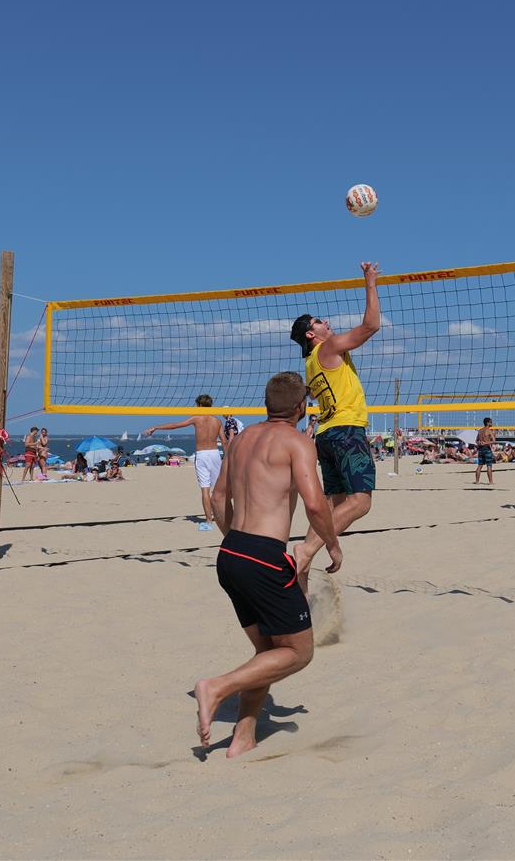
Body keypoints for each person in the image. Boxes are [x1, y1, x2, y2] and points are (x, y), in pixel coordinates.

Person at [197, 371, 342, 758]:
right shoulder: (297, 442)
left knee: (269, 655)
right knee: (298, 652)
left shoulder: (241, 439)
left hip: (231, 555)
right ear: (301, 407)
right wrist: (333, 545)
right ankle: (217, 687)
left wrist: (234, 540)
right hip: (263, 554)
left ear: (266, 404)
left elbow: (217, 497)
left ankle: (244, 735)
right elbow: (315, 504)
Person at [288, 261, 380, 587]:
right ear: (312, 335)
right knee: (361, 502)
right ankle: (305, 551)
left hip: (326, 435)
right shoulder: (327, 348)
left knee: (332, 506)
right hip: (345, 431)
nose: (327, 322)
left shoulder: (311, 363)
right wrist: (370, 282)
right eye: (319, 322)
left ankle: (302, 576)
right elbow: (371, 326)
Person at [144, 396, 226, 529]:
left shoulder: (196, 418)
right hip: (215, 454)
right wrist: (228, 457)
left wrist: (156, 427)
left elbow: (175, 426)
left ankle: (209, 522)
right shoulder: (217, 421)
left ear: (199, 405)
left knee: (205, 490)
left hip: (202, 455)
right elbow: (224, 440)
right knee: (219, 490)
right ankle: (222, 518)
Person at [474, 417, 497, 485]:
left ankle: (477, 481)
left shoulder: (480, 431)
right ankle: (491, 482)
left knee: (480, 465)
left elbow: (476, 441)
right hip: (487, 449)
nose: (492, 423)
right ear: (487, 423)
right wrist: (486, 443)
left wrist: (479, 443)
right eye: (491, 422)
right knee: (489, 466)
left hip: (480, 449)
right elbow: (494, 441)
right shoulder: (489, 431)